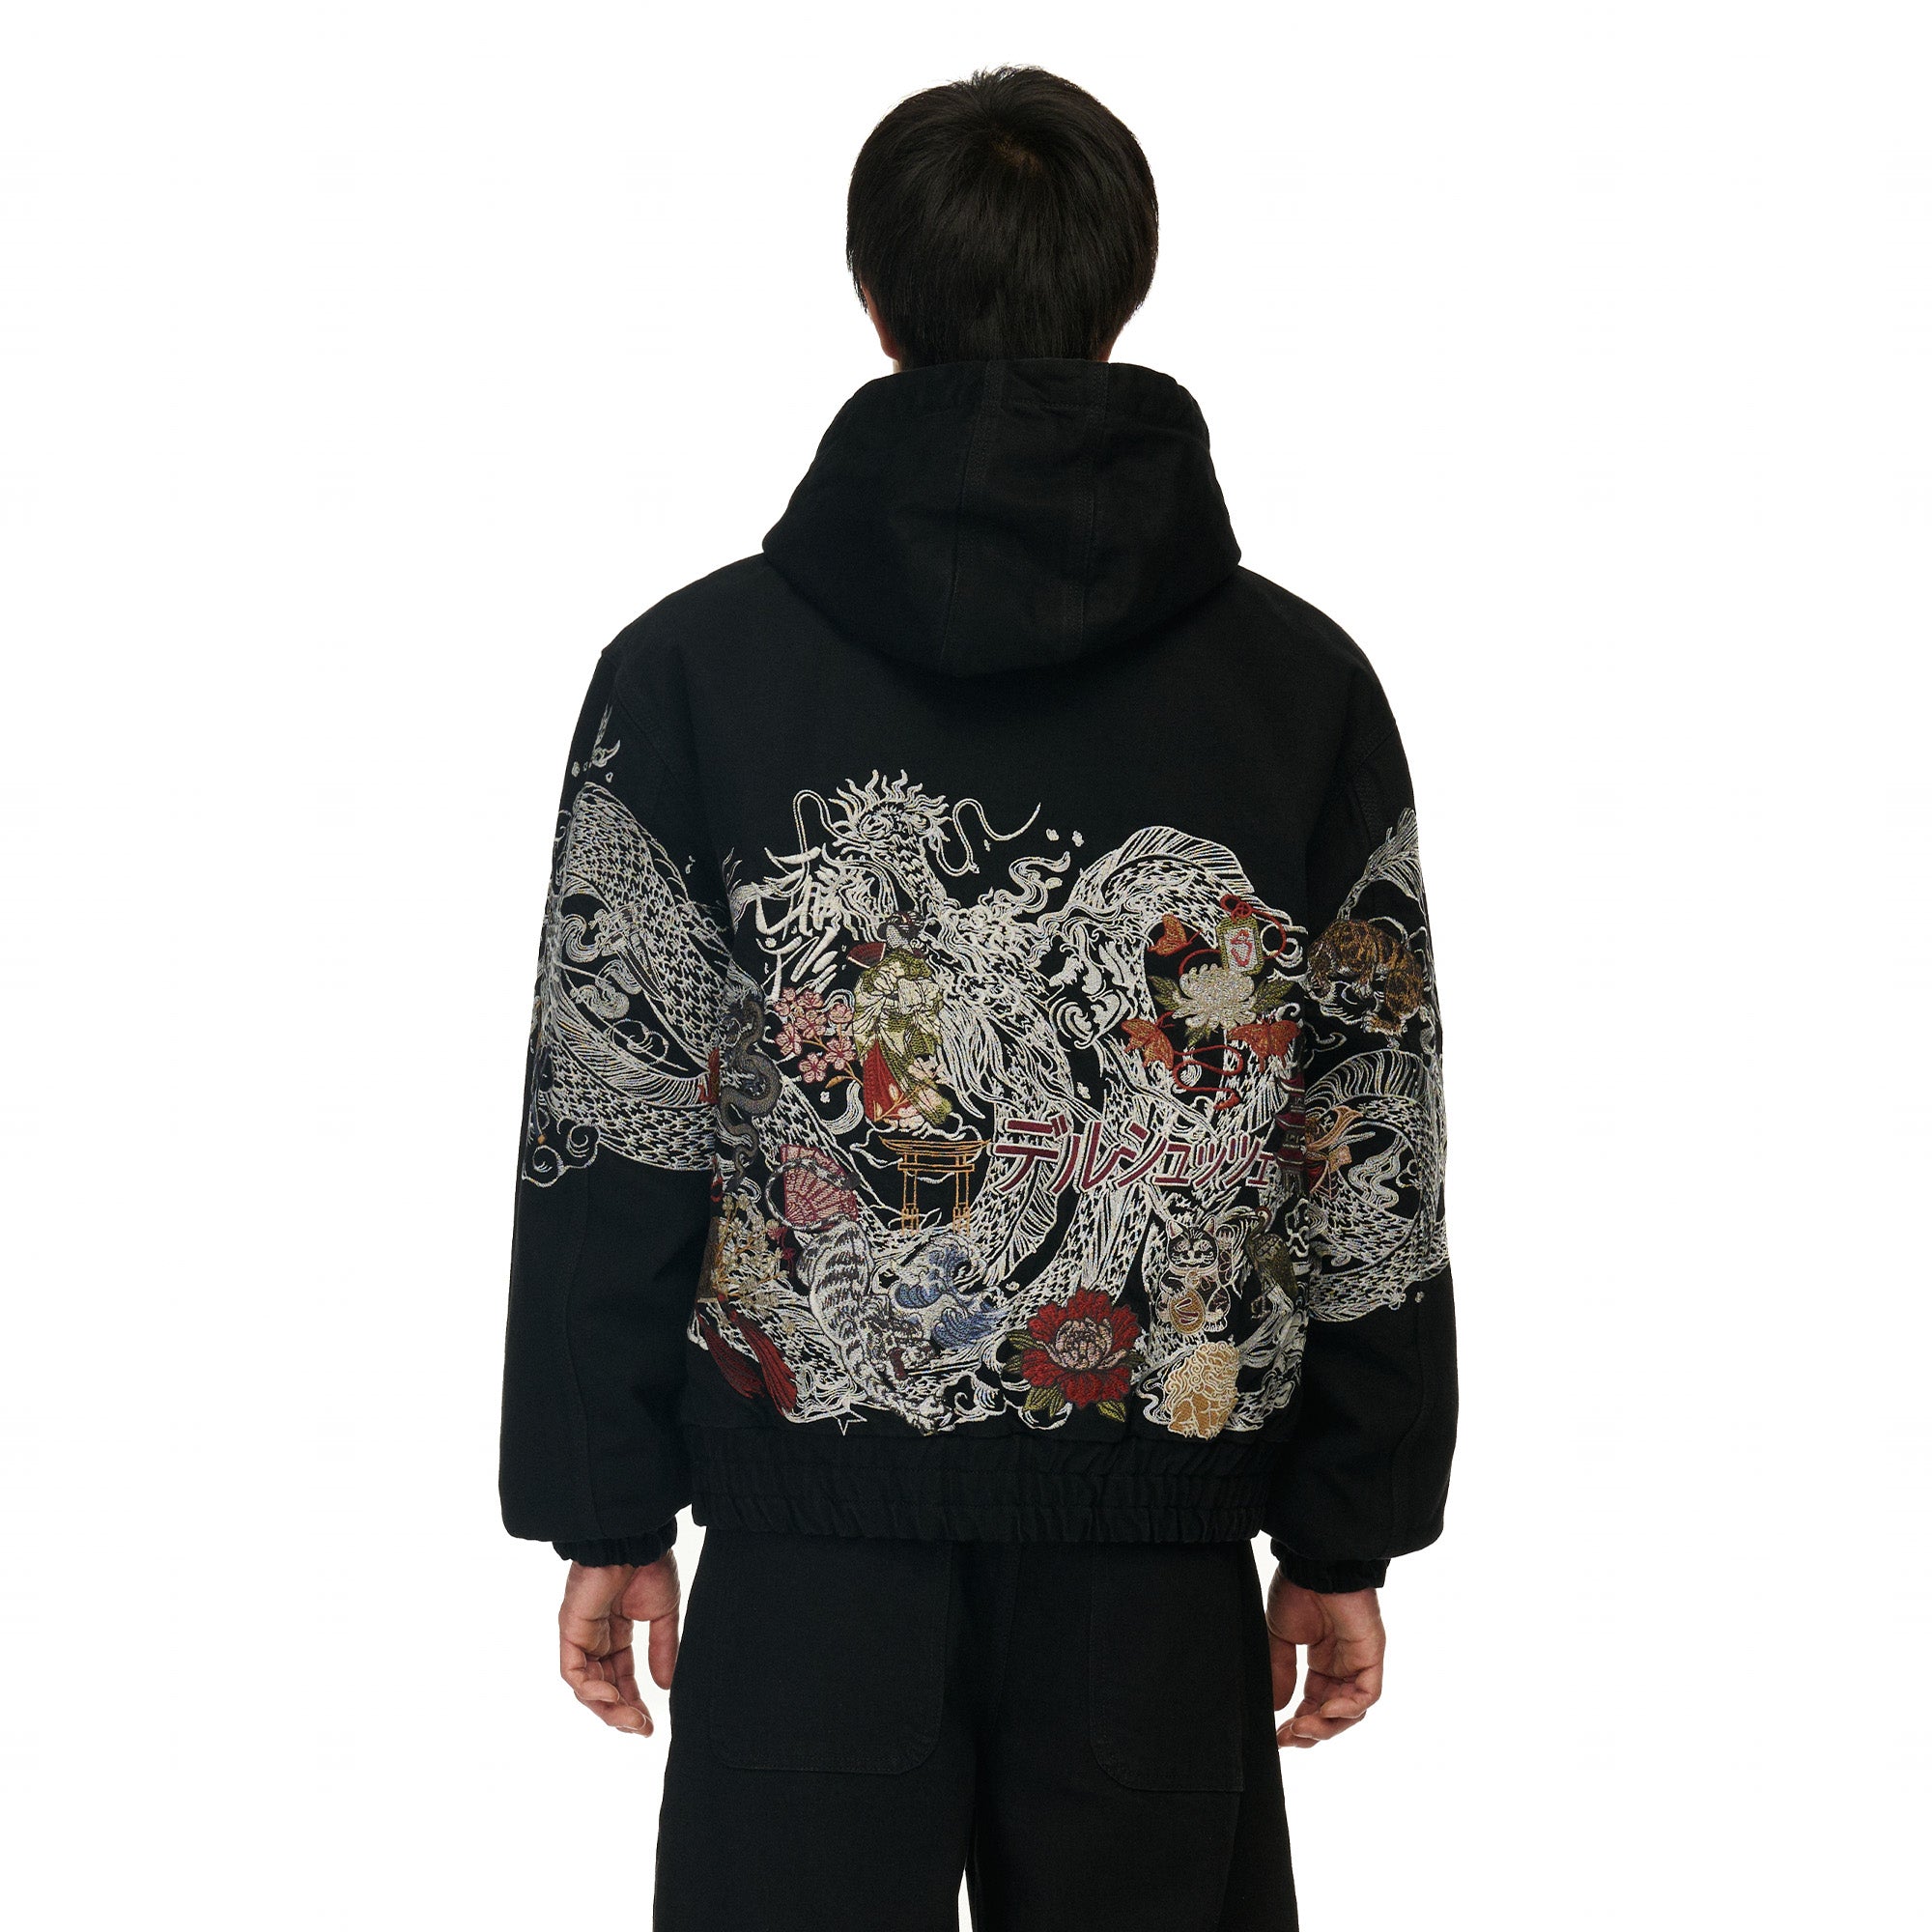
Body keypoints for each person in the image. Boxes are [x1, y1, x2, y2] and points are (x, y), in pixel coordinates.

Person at [500, 66, 1457, 1932]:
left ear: (875, 299)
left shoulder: (693, 670)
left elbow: (614, 1109)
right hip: (1154, 1562)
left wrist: (604, 1504)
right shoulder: (1297, 686)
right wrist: (1350, 1523)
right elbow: (1369, 1141)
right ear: (1126, 286)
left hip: (807, 1563)